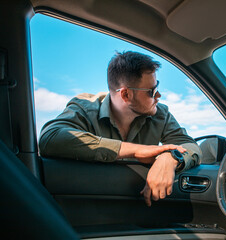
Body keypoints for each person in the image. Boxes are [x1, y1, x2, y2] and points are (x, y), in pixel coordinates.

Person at [39, 51, 202, 207]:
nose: (158, 96)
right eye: (152, 91)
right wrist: (136, 151)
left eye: (157, 87)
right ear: (126, 95)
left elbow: (191, 146)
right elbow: (51, 137)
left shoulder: (161, 113)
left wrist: (170, 158)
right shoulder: (85, 107)